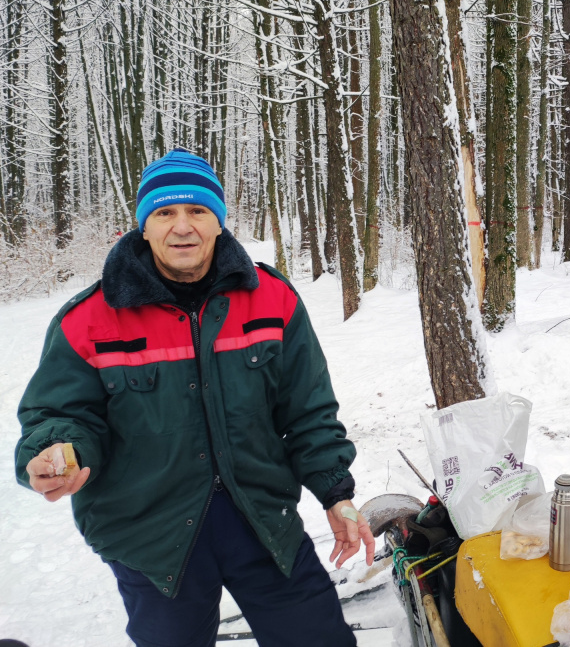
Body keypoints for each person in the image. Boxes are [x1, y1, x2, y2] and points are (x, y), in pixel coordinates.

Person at [15, 148, 374, 647]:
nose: (182, 226)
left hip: (263, 521)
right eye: (164, 213)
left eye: (198, 211)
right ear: (143, 226)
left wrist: (337, 494)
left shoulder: (272, 299)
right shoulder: (89, 320)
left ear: (219, 222)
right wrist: (57, 451)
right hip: (152, 535)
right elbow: (59, 415)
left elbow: (308, 410)